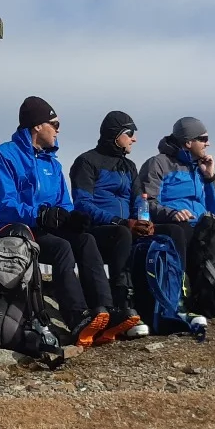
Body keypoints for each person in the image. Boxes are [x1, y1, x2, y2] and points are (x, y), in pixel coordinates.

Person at [0, 97, 140, 347]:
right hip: (15, 230)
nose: (58, 130)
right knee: (61, 248)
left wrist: (71, 218)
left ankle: (106, 310)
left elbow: (65, 204)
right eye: (55, 124)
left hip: (47, 228)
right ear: (37, 125)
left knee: (85, 238)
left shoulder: (52, 164)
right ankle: (77, 317)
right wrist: (40, 214)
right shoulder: (2, 156)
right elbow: (5, 203)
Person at [69, 111, 155, 321]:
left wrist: (146, 223)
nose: (134, 138)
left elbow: (138, 201)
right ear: (116, 135)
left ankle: (166, 306)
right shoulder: (86, 162)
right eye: (130, 133)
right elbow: (83, 205)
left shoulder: (129, 167)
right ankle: (123, 303)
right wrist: (122, 222)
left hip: (128, 226)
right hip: (99, 231)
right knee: (122, 234)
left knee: (170, 234)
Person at [138, 116, 215, 265]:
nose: (208, 143)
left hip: (202, 227)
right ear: (188, 142)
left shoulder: (200, 168)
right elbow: (146, 202)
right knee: (185, 234)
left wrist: (210, 178)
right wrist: (172, 214)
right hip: (176, 225)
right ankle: (183, 283)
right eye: (203, 139)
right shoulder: (158, 164)